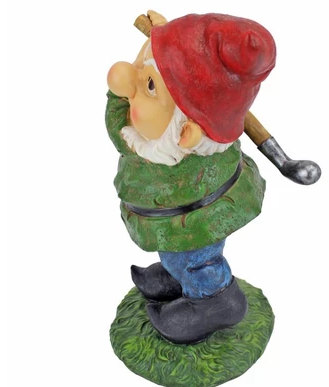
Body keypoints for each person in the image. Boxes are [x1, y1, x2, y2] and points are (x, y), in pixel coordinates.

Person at [105, 12, 276, 344]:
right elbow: (122, 127)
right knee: (175, 248)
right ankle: (179, 276)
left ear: (186, 133)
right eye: (141, 67)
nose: (125, 80)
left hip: (191, 219)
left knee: (195, 254)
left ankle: (215, 298)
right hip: (172, 222)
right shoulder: (155, 140)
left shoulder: (182, 157)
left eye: (149, 85)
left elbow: (123, 129)